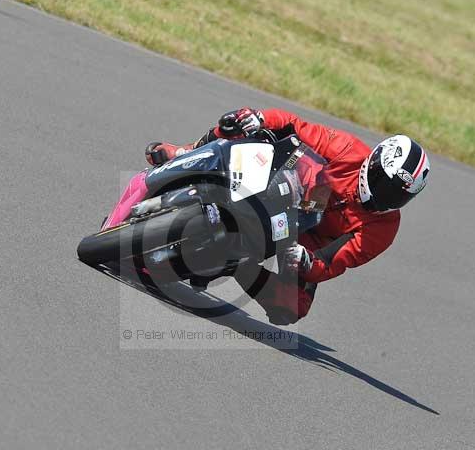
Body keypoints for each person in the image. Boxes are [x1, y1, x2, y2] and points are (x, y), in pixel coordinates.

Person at [145, 108, 431, 325]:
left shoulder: (383, 228)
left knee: (292, 308)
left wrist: (308, 261)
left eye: (398, 196)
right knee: (236, 124)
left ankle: (235, 264)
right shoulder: (348, 150)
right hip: (289, 187)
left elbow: (335, 260)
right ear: (374, 161)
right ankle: (185, 152)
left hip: (307, 238)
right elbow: (296, 125)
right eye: (384, 184)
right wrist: (259, 118)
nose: (385, 197)